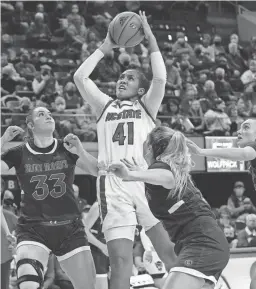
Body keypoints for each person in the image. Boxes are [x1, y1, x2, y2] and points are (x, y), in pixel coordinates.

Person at [74, 10, 175, 289]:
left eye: (130, 78)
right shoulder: (104, 105)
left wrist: (151, 38)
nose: (122, 79)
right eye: (121, 77)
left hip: (144, 181)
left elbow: (160, 79)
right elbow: (80, 78)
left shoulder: (146, 107)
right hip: (113, 185)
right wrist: (104, 48)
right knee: (120, 261)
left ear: (141, 90)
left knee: (167, 251)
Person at [109, 126, 230, 289]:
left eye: (145, 142)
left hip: (203, 243)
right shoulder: (160, 171)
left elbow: (167, 177)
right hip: (201, 244)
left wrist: (131, 175)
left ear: (150, 147)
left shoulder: (165, 169)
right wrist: (139, 173)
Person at [0, 109, 97, 289]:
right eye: (41, 114)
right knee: (27, 283)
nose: (48, 116)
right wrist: (3, 140)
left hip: (70, 228)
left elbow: (97, 171)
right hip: (33, 227)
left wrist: (81, 151)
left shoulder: (67, 147)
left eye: (50, 114)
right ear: (30, 125)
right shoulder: (18, 152)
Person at [83, 202, 109, 289]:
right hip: (98, 252)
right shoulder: (98, 206)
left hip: (113, 252)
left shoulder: (121, 205)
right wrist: (102, 247)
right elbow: (83, 232)